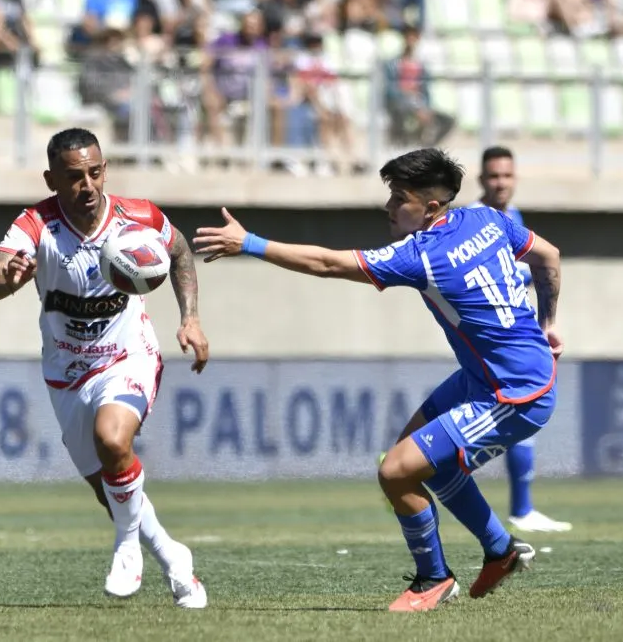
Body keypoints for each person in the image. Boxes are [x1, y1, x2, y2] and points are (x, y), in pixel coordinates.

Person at [194, 148, 563, 612]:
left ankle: (434, 579)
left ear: (430, 207)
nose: (388, 207)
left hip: (515, 393)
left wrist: (249, 243)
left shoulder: (421, 255)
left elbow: (328, 263)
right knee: (411, 457)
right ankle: (499, 550)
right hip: (488, 375)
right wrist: (548, 323)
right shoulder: (488, 218)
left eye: (398, 198)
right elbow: (548, 256)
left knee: (394, 471)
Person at [0, 128, 209, 608]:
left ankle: (126, 548)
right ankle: (173, 558)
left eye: (96, 172)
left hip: (128, 354)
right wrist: (9, 278)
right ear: (52, 179)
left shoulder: (138, 218)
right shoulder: (36, 224)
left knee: (113, 440)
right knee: (111, 490)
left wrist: (190, 318)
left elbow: (180, 249)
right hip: (66, 372)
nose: (88, 185)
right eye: (75, 176)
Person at [470, 146, 572, 534]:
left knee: (518, 414)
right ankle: (418, 459)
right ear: (481, 180)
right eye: (494, 176)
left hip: (517, 331)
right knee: (510, 412)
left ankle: (522, 508)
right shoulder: (474, 218)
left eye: (507, 176)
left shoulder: (513, 217)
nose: (501, 183)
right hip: (490, 336)